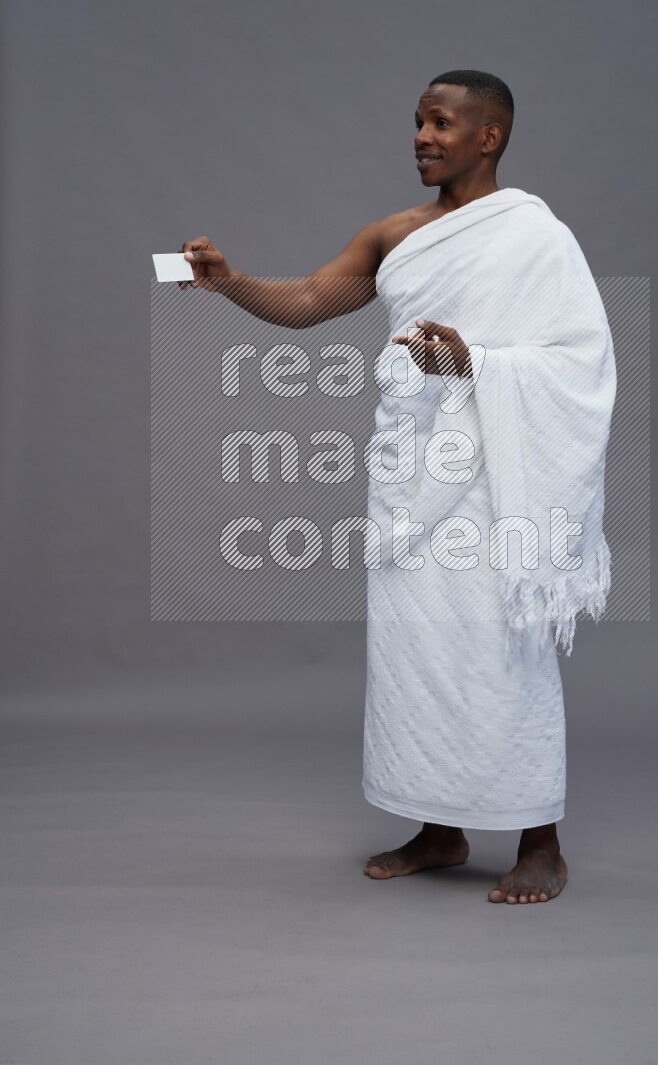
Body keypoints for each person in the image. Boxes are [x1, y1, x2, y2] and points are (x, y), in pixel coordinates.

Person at [178, 70, 616, 905]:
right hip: (412, 476)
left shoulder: (536, 235)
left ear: (489, 137)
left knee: (502, 648)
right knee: (416, 653)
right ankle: (439, 826)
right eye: (417, 121)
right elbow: (311, 297)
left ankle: (540, 840)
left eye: (441, 122)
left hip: (494, 478)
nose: (421, 135)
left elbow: (581, 362)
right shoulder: (394, 234)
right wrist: (230, 282)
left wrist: (474, 363)